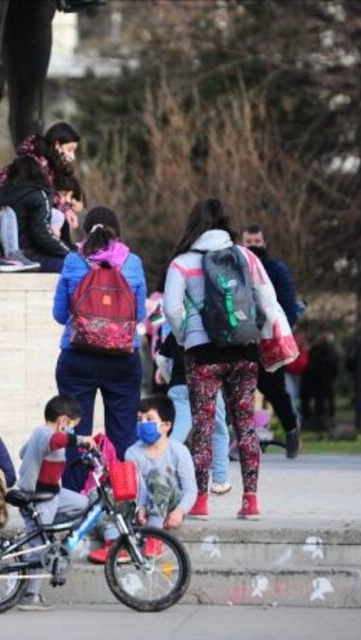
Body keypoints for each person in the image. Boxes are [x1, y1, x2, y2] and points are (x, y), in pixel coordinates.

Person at [163, 199, 292, 521]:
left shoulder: (181, 262)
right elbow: (268, 300)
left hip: (202, 354)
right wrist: (261, 337)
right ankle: (250, 501)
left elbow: (171, 309)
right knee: (245, 425)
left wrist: (185, 336)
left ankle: (201, 501)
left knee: (204, 427)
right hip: (243, 350)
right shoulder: (246, 257)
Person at [52, 207, 148, 490]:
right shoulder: (133, 262)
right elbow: (139, 314)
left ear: (86, 231)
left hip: (77, 359)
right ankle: (122, 499)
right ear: (117, 233)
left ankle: (74, 502)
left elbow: (59, 314)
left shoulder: (72, 260)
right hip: (123, 359)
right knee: (123, 434)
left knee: (74, 432)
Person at [14, 394, 94, 611]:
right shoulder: (47, 434)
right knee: (41, 547)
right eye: (72, 427)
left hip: (52, 493)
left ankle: (41, 530)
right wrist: (81, 439)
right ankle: (31, 595)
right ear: (63, 422)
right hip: (38, 497)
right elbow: (57, 441)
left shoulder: (39, 434)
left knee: (83, 503)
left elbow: (23, 452)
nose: (72, 432)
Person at [241, 224, 302, 457]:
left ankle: (291, 428)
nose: (254, 246)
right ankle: (243, 440)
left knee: (274, 390)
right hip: (242, 340)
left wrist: (278, 335)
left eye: (257, 242)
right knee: (240, 391)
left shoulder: (276, 269)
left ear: (264, 243)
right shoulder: (236, 267)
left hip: (268, 340)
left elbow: (288, 306)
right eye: (249, 242)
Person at [156, 329, 232, 495]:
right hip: (209, 386)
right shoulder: (211, 328)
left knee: (178, 431)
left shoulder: (177, 330)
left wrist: (170, 378)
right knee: (218, 430)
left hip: (179, 386)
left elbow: (161, 358)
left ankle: (160, 469)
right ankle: (220, 480)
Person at [125, 396, 197, 532]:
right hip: (144, 506)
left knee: (156, 475)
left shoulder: (179, 451)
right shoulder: (132, 452)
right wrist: (141, 507)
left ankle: (154, 536)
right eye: (139, 419)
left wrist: (180, 511)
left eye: (149, 419)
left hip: (171, 504)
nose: (143, 423)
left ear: (166, 426)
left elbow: (190, 489)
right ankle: (113, 541)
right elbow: (139, 487)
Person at [0, 122, 82, 231]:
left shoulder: (49, 164)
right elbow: (44, 194)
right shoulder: (37, 162)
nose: (72, 156)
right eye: (69, 150)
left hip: (16, 210)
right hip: (9, 211)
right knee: (56, 217)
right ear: (57, 144)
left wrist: (66, 210)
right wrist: (64, 210)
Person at [0, 155, 72, 272]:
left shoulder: (0, 194)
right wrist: (70, 252)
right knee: (77, 267)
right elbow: (42, 234)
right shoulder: (38, 195)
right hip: (31, 257)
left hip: (4, 256)